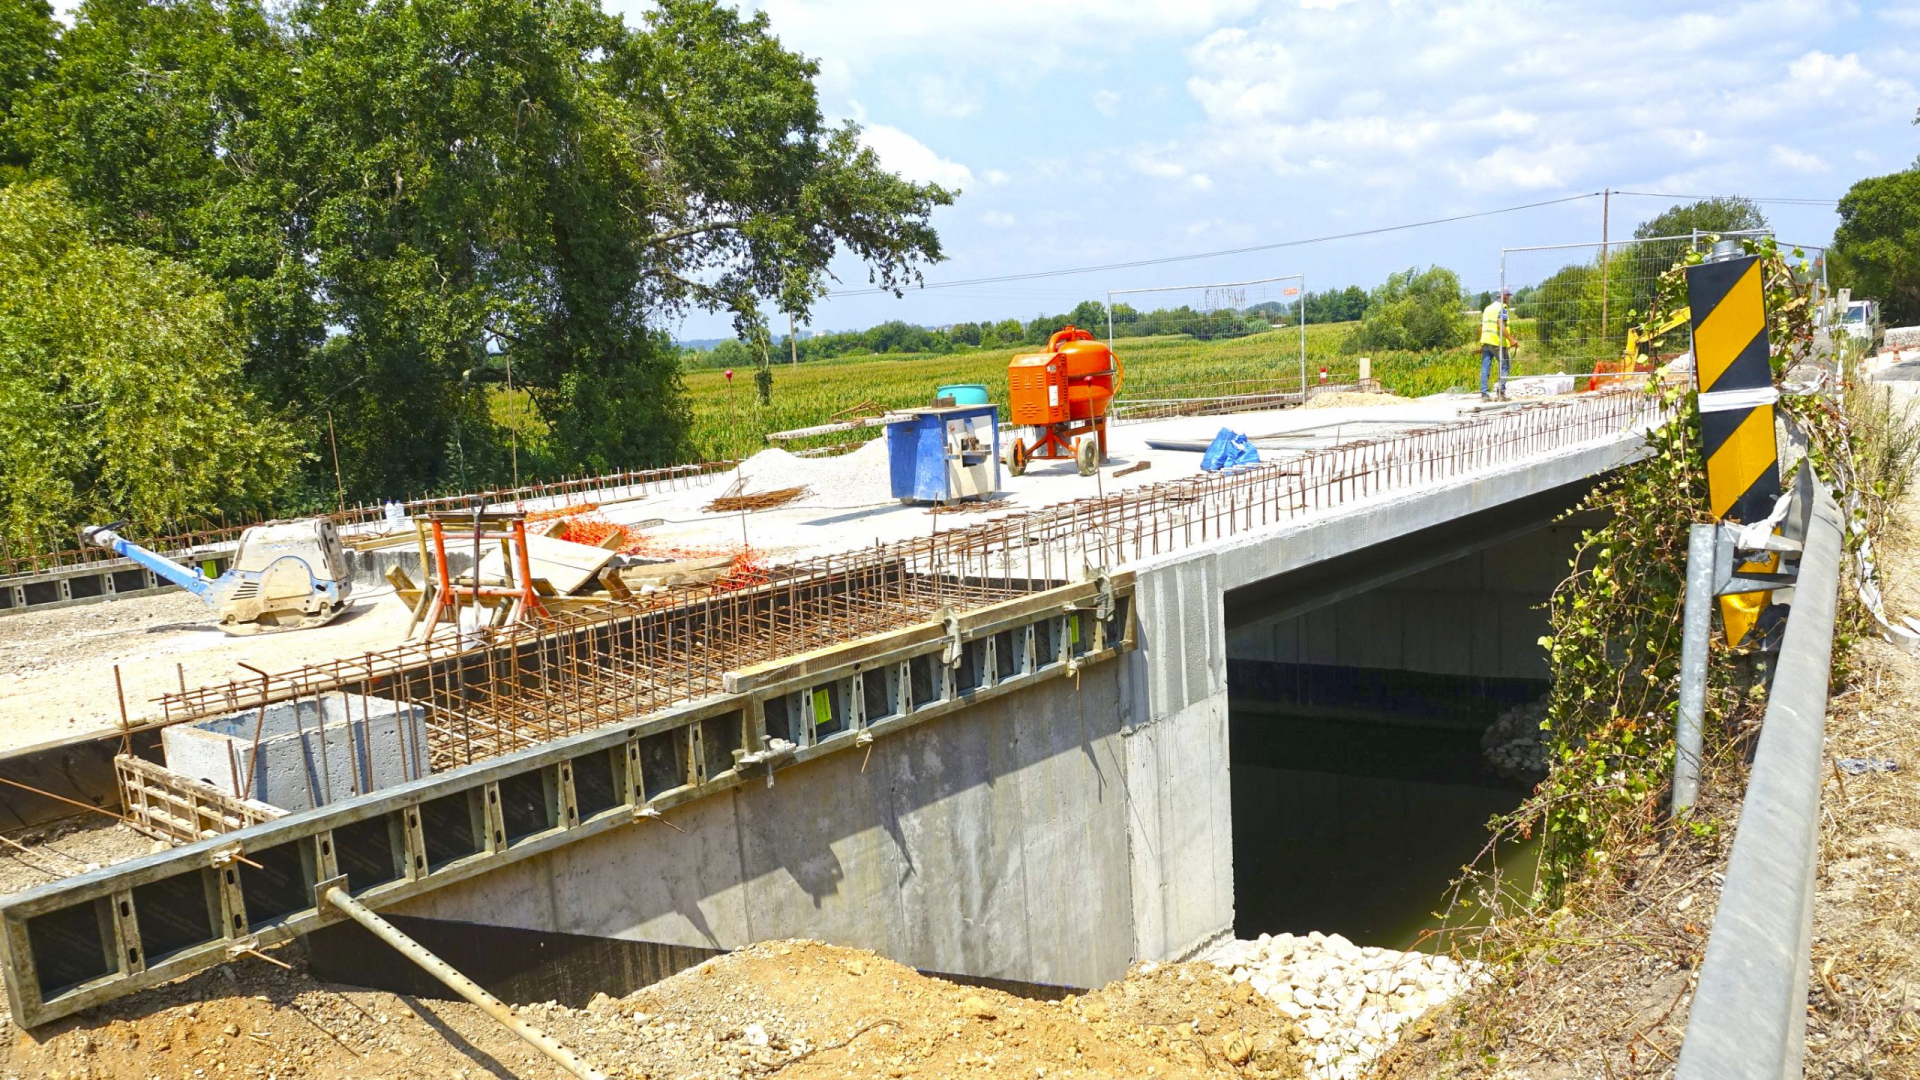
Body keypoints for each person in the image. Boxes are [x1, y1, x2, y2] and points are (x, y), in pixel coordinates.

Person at [1479, 291, 1517, 401]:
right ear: (1504, 296)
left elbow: (1481, 327)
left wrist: (1481, 344)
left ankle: (1484, 395)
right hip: (1497, 342)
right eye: (1508, 296)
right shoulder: (1502, 308)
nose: (1509, 298)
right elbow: (1500, 323)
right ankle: (1501, 393)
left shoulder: (1487, 308)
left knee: (1485, 368)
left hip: (1486, 341)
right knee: (1505, 366)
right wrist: (1511, 339)